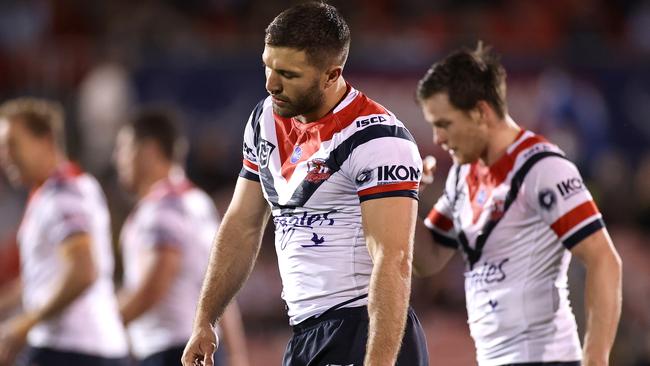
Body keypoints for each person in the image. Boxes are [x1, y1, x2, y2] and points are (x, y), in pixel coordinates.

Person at [182, 2, 428, 366]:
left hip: (362, 329)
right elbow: (242, 224)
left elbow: (394, 260)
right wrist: (206, 319)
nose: (270, 83)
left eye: (288, 74)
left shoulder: (378, 139)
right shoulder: (264, 119)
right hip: (305, 333)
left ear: (332, 74)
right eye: (267, 66)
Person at [414, 43, 623, 366]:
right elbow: (426, 260)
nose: (438, 138)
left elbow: (604, 259)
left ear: (480, 112)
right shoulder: (462, 176)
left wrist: (595, 360)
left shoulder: (542, 168)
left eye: (444, 124)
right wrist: (402, 194)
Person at [114, 109, 250, 366]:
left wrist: (98, 329)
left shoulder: (162, 207)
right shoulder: (197, 202)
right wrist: (237, 353)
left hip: (169, 350)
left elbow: (154, 284)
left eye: (123, 148)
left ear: (149, 151)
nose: (117, 158)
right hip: (202, 346)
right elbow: (220, 284)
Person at [0, 97, 128, 366]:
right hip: (73, 347)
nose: (5, 156)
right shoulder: (48, 193)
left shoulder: (64, 192)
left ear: (45, 140)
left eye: (12, 144)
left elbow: (82, 270)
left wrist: (25, 324)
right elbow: (43, 279)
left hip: (74, 348)